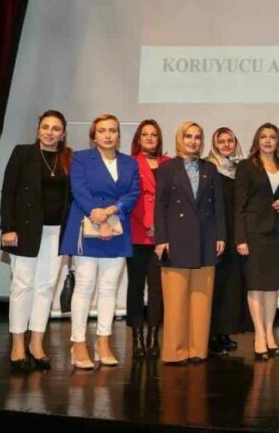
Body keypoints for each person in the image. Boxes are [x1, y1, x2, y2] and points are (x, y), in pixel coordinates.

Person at [61, 114, 140, 369]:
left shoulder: (129, 163)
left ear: (119, 135)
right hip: (87, 225)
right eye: (103, 131)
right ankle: (78, 344)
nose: (108, 135)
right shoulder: (82, 158)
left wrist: (110, 211)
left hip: (116, 228)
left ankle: (103, 342)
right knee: (84, 285)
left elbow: (133, 193)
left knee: (109, 288)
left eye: (113, 130)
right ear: (94, 136)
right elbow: (79, 190)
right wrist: (98, 214)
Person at [0, 110, 72, 371]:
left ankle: (36, 344)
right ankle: (18, 345)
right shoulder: (23, 153)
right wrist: (7, 227)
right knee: (22, 286)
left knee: (45, 288)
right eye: (46, 127)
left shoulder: (68, 158)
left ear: (63, 134)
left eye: (56, 128)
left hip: (56, 232)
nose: (50, 132)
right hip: (26, 230)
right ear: (37, 130)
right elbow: (8, 191)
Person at [153, 121, 226, 365]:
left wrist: (221, 236)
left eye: (197, 137)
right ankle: (175, 352)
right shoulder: (167, 169)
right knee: (175, 300)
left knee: (202, 300)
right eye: (188, 137)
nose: (193, 141)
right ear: (180, 140)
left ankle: (197, 350)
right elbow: (160, 206)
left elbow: (218, 206)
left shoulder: (210, 169)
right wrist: (161, 239)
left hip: (206, 240)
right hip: (176, 239)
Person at [234, 123, 279, 360]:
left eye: (272, 137)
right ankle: (258, 335)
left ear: (278, 141)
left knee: (272, 287)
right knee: (256, 285)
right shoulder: (246, 166)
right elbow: (239, 205)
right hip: (254, 234)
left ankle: (270, 334)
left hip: (278, 233)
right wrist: (240, 238)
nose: (268, 141)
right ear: (257, 141)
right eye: (263, 137)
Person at [128, 120, 169, 358]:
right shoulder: (130, 163)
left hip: (162, 237)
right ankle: (137, 338)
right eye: (145, 134)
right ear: (138, 138)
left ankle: (154, 337)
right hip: (137, 231)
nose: (150, 138)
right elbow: (129, 196)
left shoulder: (168, 163)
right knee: (135, 287)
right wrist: (147, 223)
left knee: (157, 289)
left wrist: (161, 227)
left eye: (154, 134)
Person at [204, 127, 247, 355]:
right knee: (216, 284)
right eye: (221, 141)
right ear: (214, 144)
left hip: (235, 233)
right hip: (215, 234)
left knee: (231, 284)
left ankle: (224, 332)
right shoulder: (208, 167)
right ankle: (210, 333)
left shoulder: (240, 169)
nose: (226, 144)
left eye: (230, 140)